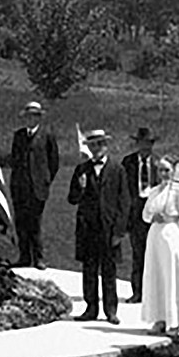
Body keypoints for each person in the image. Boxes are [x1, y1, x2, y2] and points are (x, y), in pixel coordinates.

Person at [67, 129, 130, 324]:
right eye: (93, 145)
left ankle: (110, 310)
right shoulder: (82, 169)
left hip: (109, 228)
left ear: (106, 146)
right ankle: (90, 308)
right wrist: (81, 187)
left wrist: (119, 231)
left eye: (100, 144)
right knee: (89, 269)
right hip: (88, 228)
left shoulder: (117, 169)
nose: (96, 149)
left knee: (109, 271)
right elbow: (72, 199)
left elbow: (124, 202)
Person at [139, 156, 179, 336]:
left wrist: (171, 217)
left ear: (173, 171)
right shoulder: (153, 191)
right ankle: (159, 318)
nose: (163, 174)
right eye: (160, 170)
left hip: (172, 235)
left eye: (167, 170)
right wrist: (153, 218)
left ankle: (175, 322)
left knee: (172, 276)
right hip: (155, 236)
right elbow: (145, 214)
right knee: (156, 275)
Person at [9, 100, 60, 269]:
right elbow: (14, 160)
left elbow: (54, 162)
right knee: (21, 222)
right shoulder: (19, 136)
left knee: (35, 223)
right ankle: (24, 256)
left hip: (37, 187)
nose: (31, 119)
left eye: (34, 116)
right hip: (20, 186)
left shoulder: (47, 136)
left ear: (39, 118)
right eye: (29, 117)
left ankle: (38, 257)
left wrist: (45, 180)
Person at [122, 127, 159, 303]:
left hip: (155, 217)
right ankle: (137, 291)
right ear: (137, 144)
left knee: (155, 255)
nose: (146, 147)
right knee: (138, 254)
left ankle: (155, 293)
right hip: (135, 215)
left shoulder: (159, 165)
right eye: (143, 143)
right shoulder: (128, 163)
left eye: (150, 143)